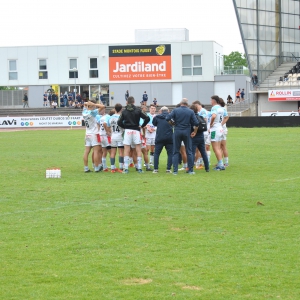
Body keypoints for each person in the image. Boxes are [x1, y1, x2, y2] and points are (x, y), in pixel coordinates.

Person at [165, 98, 199, 175]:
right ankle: (190, 170)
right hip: (187, 131)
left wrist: (172, 124)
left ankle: (175, 171)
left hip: (177, 131)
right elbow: (196, 123)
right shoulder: (190, 111)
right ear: (187, 104)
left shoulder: (175, 110)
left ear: (180, 104)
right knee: (189, 151)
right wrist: (194, 132)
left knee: (176, 151)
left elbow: (167, 118)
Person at [117, 96, 150, 173]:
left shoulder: (124, 112)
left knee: (127, 149)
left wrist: (125, 126)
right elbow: (147, 118)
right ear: (134, 102)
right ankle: (139, 168)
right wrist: (141, 126)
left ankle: (126, 168)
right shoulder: (138, 110)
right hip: (136, 131)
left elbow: (119, 122)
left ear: (127, 102)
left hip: (128, 131)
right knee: (138, 149)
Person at [82, 100, 105, 172]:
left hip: (87, 133)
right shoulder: (93, 112)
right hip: (94, 133)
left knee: (86, 152)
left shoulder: (84, 112)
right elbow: (103, 106)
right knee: (96, 151)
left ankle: (86, 168)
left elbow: (85, 105)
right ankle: (96, 167)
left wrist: (87, 104)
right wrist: (94, 104)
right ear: (92, 106)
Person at [152, 106, 173, 173]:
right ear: (168, 111)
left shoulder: (157, 117)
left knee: (157, 153)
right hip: (169, 138)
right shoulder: (171, 117)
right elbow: (173, 124)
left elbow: (154, 123)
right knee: (170, 153)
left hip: (159, 137)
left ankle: (155, 169)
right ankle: (168, 169)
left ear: (161, 111)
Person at [189, 104, 209, 172]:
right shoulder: (200, 116)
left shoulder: (192, 117)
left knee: (192, 152)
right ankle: (207, 167)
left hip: (194, 136)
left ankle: (190, 168)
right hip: (201, 136)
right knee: (203, 152)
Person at [209, 95, 226, 171]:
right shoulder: (221, 108)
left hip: (215, 129)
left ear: (213, 100)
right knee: (218, 147)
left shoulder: (214, 108)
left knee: (215, 148)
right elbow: (226, 117)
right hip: (220, 128)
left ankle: (220, 164)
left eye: (211, 100)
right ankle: (220, 163)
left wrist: (211, 124)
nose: (210, 102)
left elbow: (213, 116)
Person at [107, 103, 124, 173]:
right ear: (121, 109)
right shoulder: (121, 117)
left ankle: (112, 168)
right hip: (120, 136)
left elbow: (108, 126)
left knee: (113, 152)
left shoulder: (110, 117)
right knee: (121, 152)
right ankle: (120, 168)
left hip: (113, 136)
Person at [219, 98, 230, 167]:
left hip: (221, 130)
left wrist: (220, 124)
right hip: (223, 129)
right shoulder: (223, 109)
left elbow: (227, 117)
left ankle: (225, 163)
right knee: (221, 147)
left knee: (222, 146)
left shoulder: (221, 109)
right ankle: (222, 162)